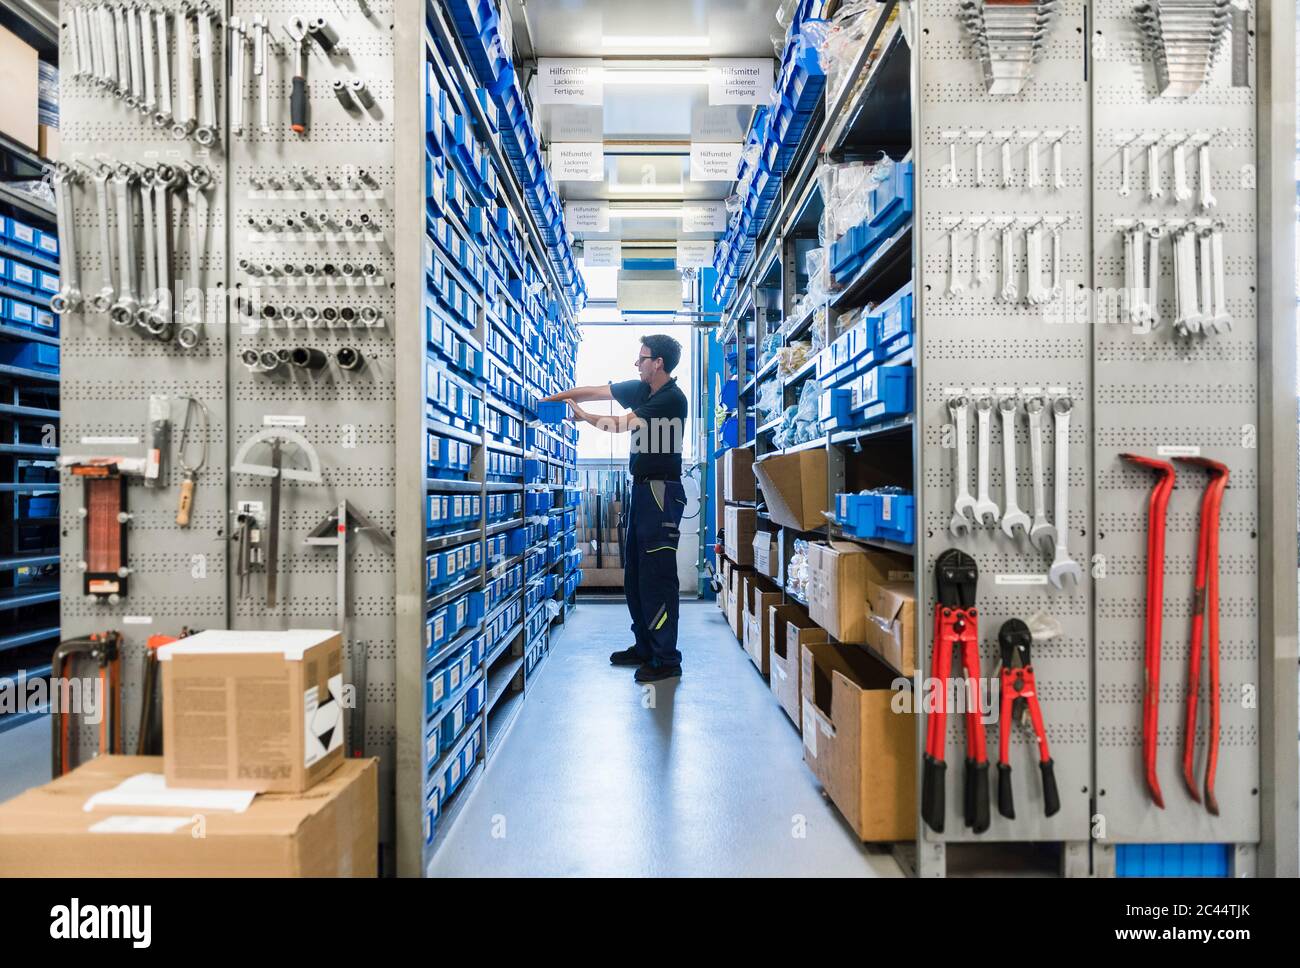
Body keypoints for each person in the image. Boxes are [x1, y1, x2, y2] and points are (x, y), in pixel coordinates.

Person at [541, 335, 689, 682]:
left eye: (642, 359)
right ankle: (644, 647)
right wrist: (552, 400)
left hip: (661, 493)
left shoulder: (671, 399)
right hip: (643, 491)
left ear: (659, 364)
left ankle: (666, 658)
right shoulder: (643, 389)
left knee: (657, 579)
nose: (636, 364)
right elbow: (596, 391)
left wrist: (582, 417)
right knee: (635, 575)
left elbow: (620, 425)